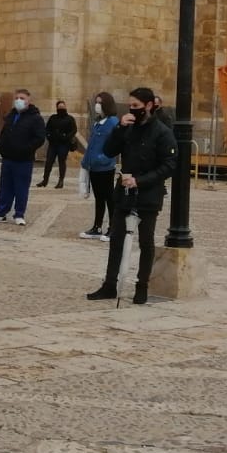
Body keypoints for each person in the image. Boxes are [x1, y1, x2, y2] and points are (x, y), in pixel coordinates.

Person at [86, 88, 175, 304]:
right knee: (116, 239)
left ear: (148, 106)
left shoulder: (162, 132)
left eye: (136, 106)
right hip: (124, 192)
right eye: (130, 106)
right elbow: (109, 151)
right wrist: (119, 128)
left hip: (148, 194)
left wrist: (140, 181)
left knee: (146, 241)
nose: (132, 109)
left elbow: (169, 165)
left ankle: (142, 286)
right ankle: (110, 284)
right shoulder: (128, 128)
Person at [0, 89, 45, 226]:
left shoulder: (35, 118)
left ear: (28, 100)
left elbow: (40, 138)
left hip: (24, 160)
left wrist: (26, 149)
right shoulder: (11, 116)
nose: (19, 100)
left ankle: (19, 214)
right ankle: (1, 213)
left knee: (21, 188)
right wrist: (0, 146)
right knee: (5, 187)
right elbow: (4, 133)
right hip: (8, 158)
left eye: (22, 98)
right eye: (17, 98)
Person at [79, 92, 119, 240]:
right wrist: (86, 162)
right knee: (99, 198)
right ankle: (97, 226)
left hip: (105, 167)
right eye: (96, 102)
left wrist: (103, 158)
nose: (97, 105)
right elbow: (91, 145)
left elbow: (115, 144)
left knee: (109, 197)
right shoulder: (97, 122)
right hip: (94, 166)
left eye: (100, 102)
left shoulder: (113, 122)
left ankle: (113, 228)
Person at [38, 100, 78, 189]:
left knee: (61, 161)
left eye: (63, 107)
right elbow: (47, 129)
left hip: (64, 144)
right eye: (60, 107)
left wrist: (66, 137)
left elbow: (74, 130)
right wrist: (49, 136)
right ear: (57, 108)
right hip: (53, 144)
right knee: (49, 162)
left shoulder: (70, 119)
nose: (61, 109)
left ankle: (61, 181)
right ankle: (45, 180)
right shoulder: (53, 118)